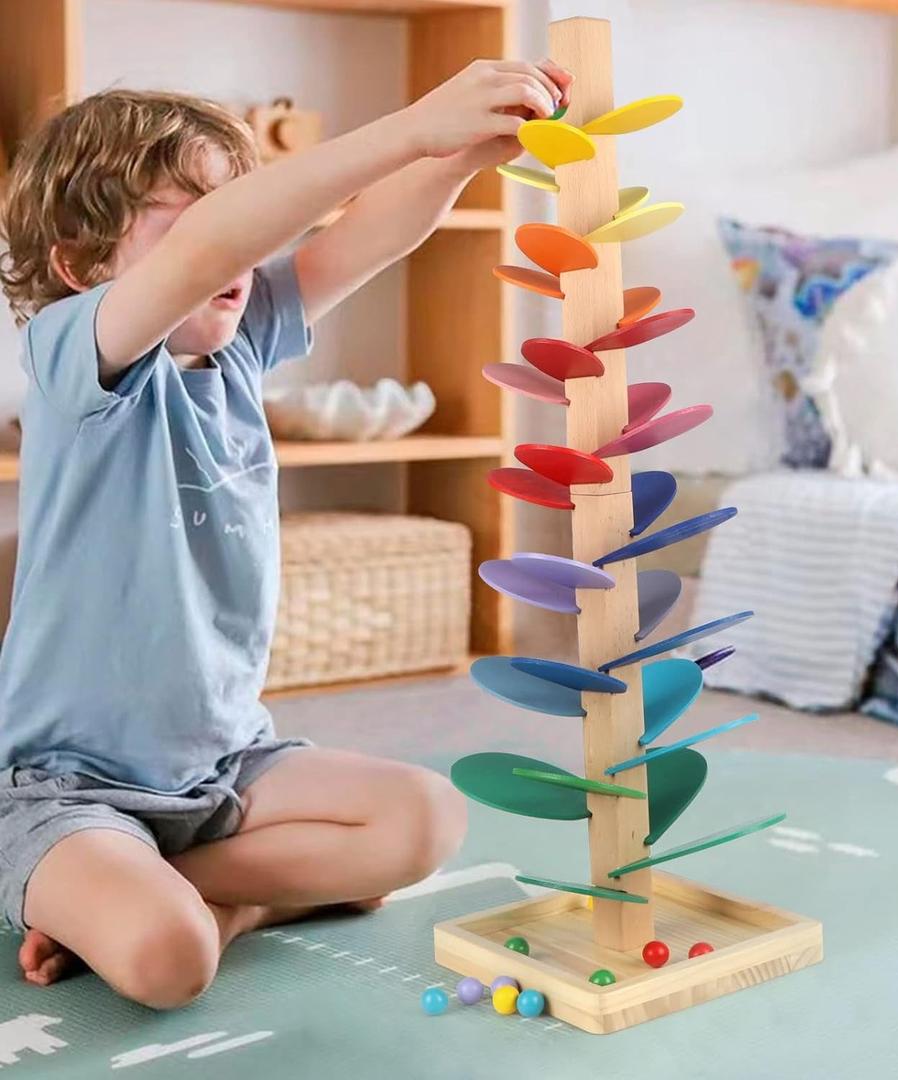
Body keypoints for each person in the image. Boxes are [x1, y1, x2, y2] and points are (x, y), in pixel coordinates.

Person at [0, 57, 571, 1009]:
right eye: (194, 223)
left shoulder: (239, 340)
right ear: (79, 266)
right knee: (169, 963)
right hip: (68, 789)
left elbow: (369, 238)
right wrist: (412, 124)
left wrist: (468, 152)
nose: (237, 252)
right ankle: (154, 898)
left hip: (225, 768)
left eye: (240, 215)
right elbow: (211, 250)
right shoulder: (71, 352)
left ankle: (221, 899)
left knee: (422, 819)